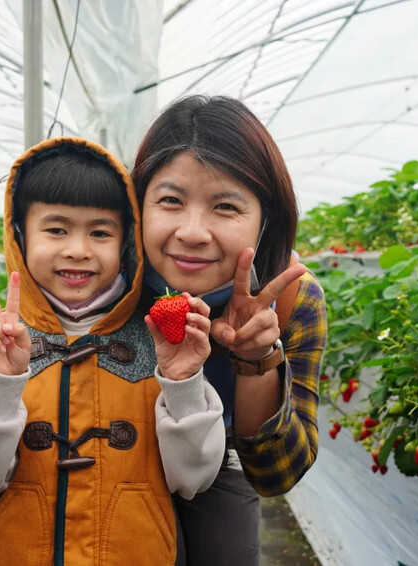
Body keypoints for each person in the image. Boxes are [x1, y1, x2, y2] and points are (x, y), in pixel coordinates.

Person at [0, 137, 225, 566]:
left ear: (127, 244)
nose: (78, 249)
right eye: (56, 229)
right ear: (19, 235)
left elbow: (193, 478)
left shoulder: (160, 348)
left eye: (100, 232)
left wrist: (182, 384)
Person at [132, 95, 328, 566]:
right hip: (120, 450)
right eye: (171, 201)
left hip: (222, 460)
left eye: (225, 206)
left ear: (266, 220)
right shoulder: (108, 283)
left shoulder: (290, 298)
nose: (193, 232)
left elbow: (276, 474)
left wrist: (258, 359)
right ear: (137, 205)